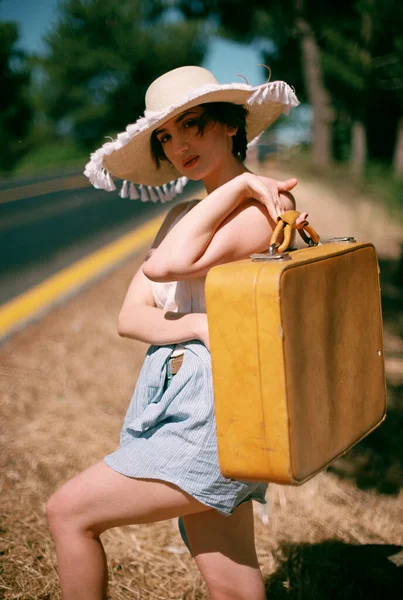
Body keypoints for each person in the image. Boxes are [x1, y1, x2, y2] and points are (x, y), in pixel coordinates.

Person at [46, 65, 304, 600]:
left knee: (68, 512)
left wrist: (241, 187)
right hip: (180, 401)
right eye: (165, 136)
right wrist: (202, 326)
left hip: (218, 410)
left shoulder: (265, 208)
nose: (178, 144)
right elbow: (129, 317)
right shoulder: (186, 215)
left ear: (232, 125)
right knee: (232, 584)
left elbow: (166, 269)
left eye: (193, 124)